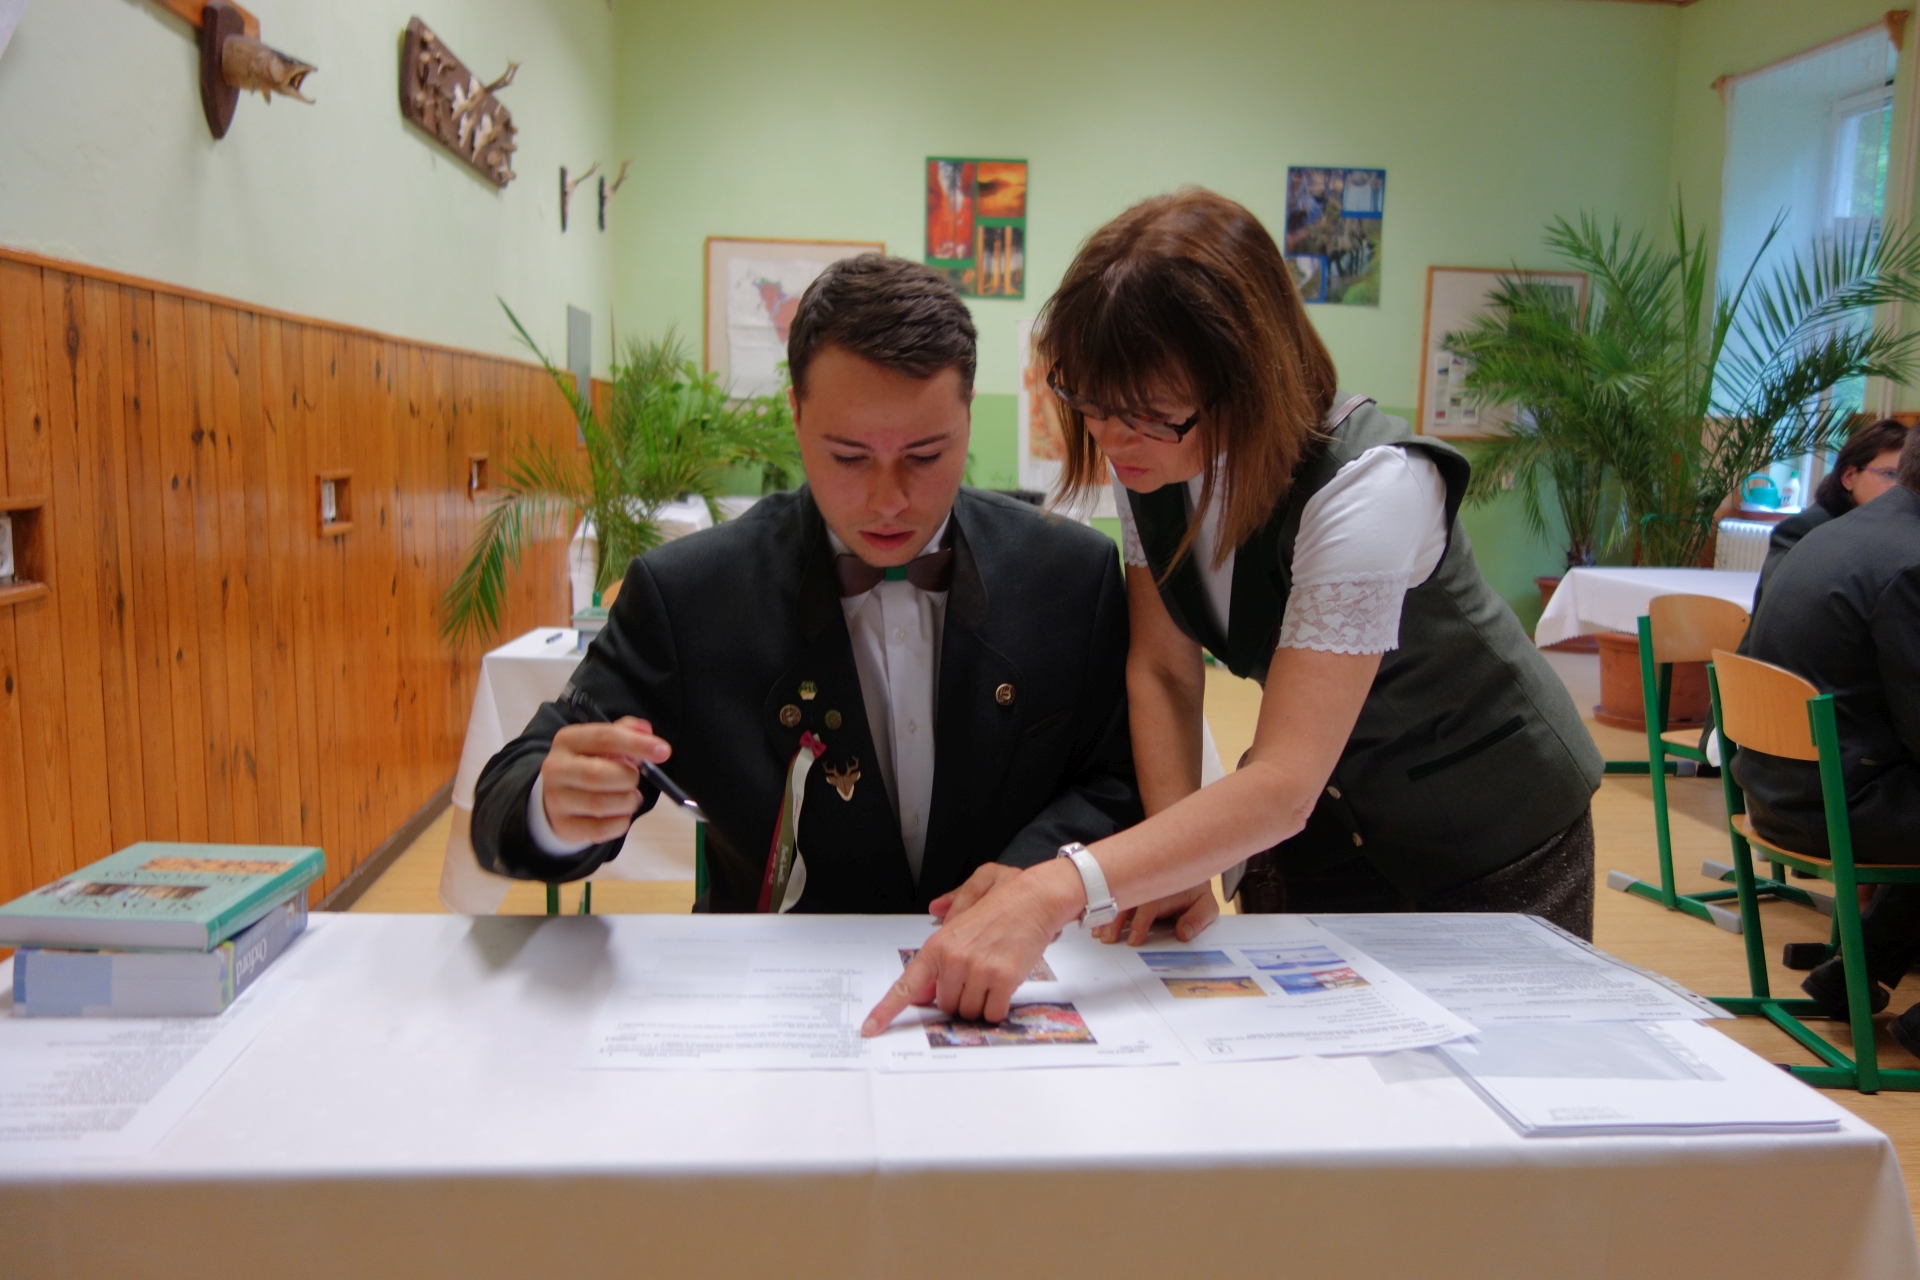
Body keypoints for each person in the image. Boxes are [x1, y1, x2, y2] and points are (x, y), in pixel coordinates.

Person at [864, 189, 1602, 1032]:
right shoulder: (1150, 456)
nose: (1112, 437)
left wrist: (1056, 887)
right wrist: (1173, 862)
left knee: (1486, 1075)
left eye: (1147, 413)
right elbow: (1163, 671)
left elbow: (1283, 782)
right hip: (1327, 827)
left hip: (1492, 829)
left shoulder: (1373, 487)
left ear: (1244, 378)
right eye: (1091, 402)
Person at [471, 256, 1141, 912]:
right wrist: (554, 804)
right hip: (774, 974)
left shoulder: (1069, 576)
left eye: (925, 456)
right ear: (796, 414)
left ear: (968, 415)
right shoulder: (691, 595)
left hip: (1023, 966)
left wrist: (1036, 877)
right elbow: (511, 787)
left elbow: (1120, 780)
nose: (888, 501)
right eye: (848, 457)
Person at [1734, 427, 1920, 1047]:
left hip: (1774, 789)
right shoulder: (1910, 561)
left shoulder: (1839, 531)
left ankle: (1856, 973)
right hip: (1836, 808)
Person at [1754, 417, 1910, 607]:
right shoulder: (1803, 529)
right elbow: (1786, 606)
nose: (1899, 489)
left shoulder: (1900, 533)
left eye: (1907, 480)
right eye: (1889, 474)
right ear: (1849, 477)